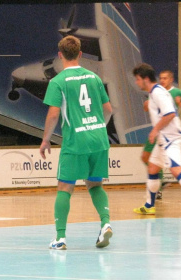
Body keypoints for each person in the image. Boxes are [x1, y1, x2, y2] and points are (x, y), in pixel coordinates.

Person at [39, 35, 113, 250]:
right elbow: (108, 110)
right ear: (80, 54)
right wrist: (98, 127)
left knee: (64, 187)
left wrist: (45, 140)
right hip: (99, 139)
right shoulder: (94, 78)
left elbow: (53, 115)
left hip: (75, 142)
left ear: (60, 55)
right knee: (95, 184)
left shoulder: (58, 81)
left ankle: (60, 238)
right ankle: (106, 223)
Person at [132, 63, 181, 217]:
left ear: (145, 79)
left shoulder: (158, 93)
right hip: (163, 139)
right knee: (152, 168)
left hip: (172, 137)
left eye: (138, 79)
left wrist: (155, 129)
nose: (136, 82)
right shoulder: (153, 93)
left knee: (175, 168)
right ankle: (149, 205)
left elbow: (170, 113)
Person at [141, 70, 181, 200]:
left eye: (165, 78)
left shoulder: (177, 92)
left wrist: (180, 103)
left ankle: (157, 189)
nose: (162, 80)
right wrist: (146, 105)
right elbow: (146, 108)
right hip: (156, 132)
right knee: (145, 157)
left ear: (171, 79)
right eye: (161, 78)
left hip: (169, 134)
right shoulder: (155, 91)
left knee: (173, 167)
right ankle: (160, 181)